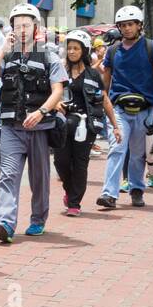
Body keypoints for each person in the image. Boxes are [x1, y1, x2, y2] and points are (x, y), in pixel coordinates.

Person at [0, 3, 67, 241]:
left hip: (39, 128)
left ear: (36, 27)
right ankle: (5, 224)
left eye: (26, 25)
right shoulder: (6, 55)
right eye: (17, 25)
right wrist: (2, 50)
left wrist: (41, 112)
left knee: (39, 179)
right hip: (11, 128)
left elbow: (57, 91)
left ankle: (38, 219)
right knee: (8, 176)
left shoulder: (49, 56)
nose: (21, 29)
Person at [96, 6, 153, 209]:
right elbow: (105, 82)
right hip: (118, 109)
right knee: (117, 148)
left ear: (139, 25)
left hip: (145, 110)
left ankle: (137, 189)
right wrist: (103, 106)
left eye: (130, 24)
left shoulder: (152, 48)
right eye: (123, 25)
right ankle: (109, 194)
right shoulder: (112, 50)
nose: (127, 29)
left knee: (138, 153)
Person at [54, 30, 118, 216]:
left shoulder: (93, 74)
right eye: (69, 48)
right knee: (61, 162)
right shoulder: (60, 71)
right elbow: (51, 93)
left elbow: (104, 99)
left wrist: (115, 126)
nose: (72, 52)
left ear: (84, 50)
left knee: (80, 163)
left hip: (85, 125)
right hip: (62, 124)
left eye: (76, 48)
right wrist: (56, 103)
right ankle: (69, 190)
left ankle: (74, 203)